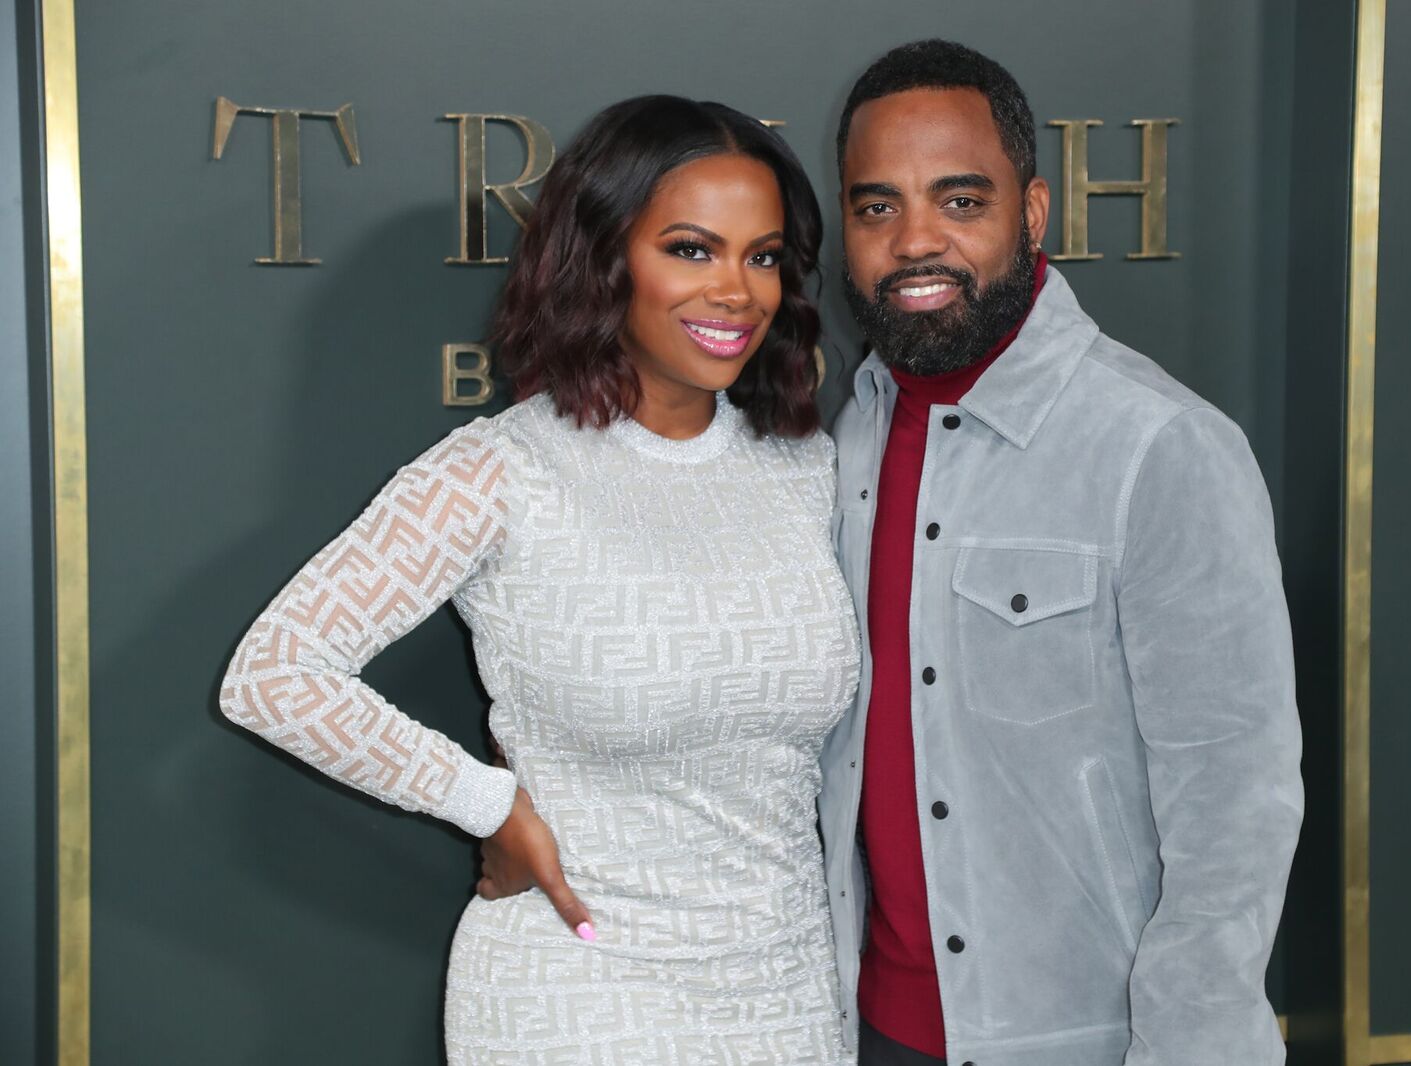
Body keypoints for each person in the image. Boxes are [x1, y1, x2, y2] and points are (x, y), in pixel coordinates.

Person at [220, 95, 859, 1064]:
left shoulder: (808, 470)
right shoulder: (500, 472)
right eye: (691, 248)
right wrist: (483, 802)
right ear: (607, 258)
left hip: (787, 993)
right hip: (578, 986)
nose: (737, 289)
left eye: (762, 255)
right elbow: (274, 675)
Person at [818, 40, 1303, 1066]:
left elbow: (1234, 813)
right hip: (865, 1031)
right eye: (876, 208)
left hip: (1083, 1041)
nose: (914, 242)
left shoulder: (1159, 445)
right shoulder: (850, 432)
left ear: (1031, 213)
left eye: (959, 201)